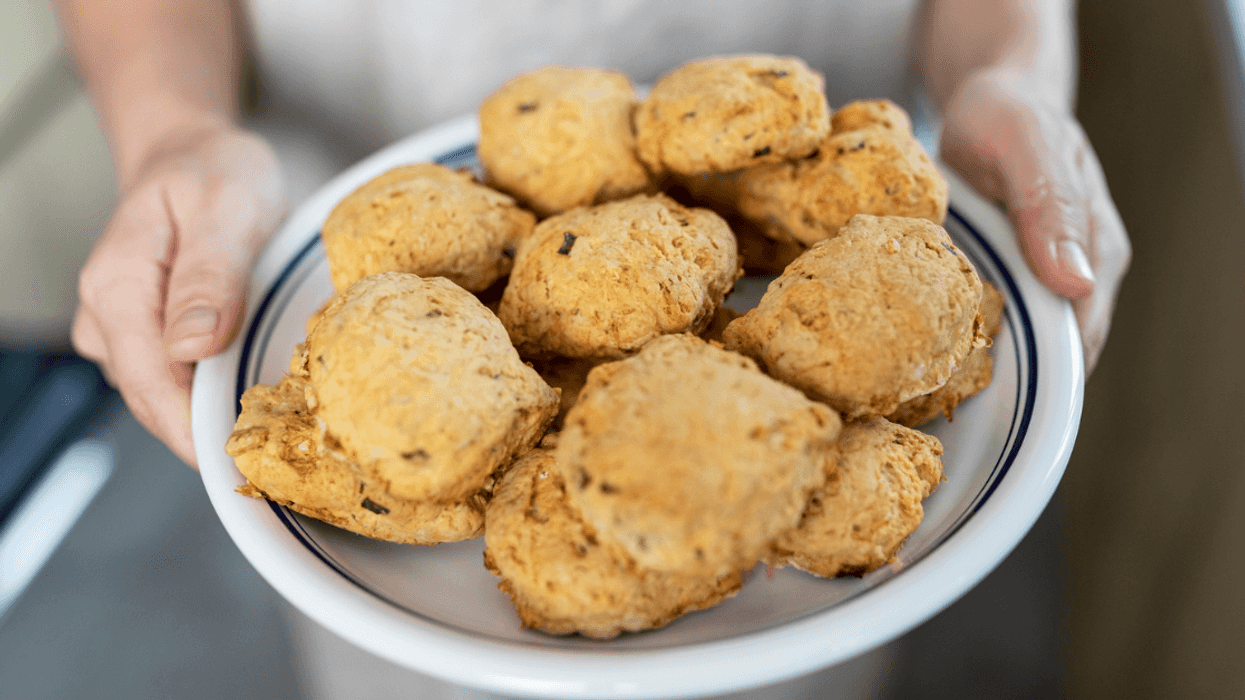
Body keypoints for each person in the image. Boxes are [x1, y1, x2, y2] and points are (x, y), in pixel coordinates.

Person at [53, 1, 1131, 697]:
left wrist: (1015, 70)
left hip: (826, 156)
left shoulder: (775, 371)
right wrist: (173, 129)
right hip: (336, 194)